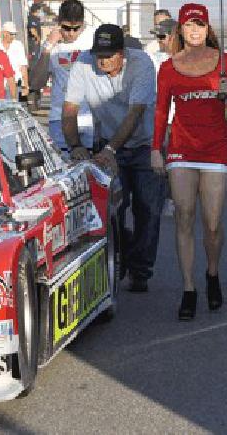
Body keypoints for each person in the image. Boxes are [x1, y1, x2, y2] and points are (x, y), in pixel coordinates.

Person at [150, 3, 227, 321]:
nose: (194, 30)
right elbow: (161, 111)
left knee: (213, 223)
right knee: (184, 215)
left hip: (215, 148)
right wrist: (155, 148)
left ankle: (212, 274)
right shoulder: (168, 67)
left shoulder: (226, 63)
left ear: (208, 29)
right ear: (180, 30)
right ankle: (189, 288)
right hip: (180, 150)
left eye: (199, 25)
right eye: (189, 25)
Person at [61, 24, 161, 293]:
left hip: (143, 144)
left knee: (148, 209)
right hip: (106, 142)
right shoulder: (83, 63)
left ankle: (140, 269)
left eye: (109, 55)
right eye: (99, 55)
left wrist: (111, 151)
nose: (102, 61)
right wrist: (75, 146)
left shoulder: (141, 64)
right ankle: (122, 253)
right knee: (113, 208)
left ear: (123, 53)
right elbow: (69, 108)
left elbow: (135, 113)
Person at [47, 0, 88, 153]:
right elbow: (36, 82)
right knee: (64, 171)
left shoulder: (91, 40)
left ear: (82, 24)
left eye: (76, 29)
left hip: (88, 117)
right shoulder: (52, 45)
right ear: (59, 23)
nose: (71, 33)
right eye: (66, 28)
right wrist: (47, 47)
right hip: (59, 118)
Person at [149, 18, 179, 218]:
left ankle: (175, 198)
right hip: (160, 117)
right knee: (160, 161)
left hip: (181, 119)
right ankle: (163, 198)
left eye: (162, 37)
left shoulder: (187, 59)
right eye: (157, 37)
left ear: (174, 37)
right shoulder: (152, 58)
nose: (159, 41)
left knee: (176, 163)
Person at [0, 21, 29, 101]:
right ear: (4, 33)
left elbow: (23, 67)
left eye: (14, 34)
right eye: (11, 34)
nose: (13, 36)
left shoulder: (18, 45)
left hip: (15, 84)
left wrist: (25, 85)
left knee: (14, 109)